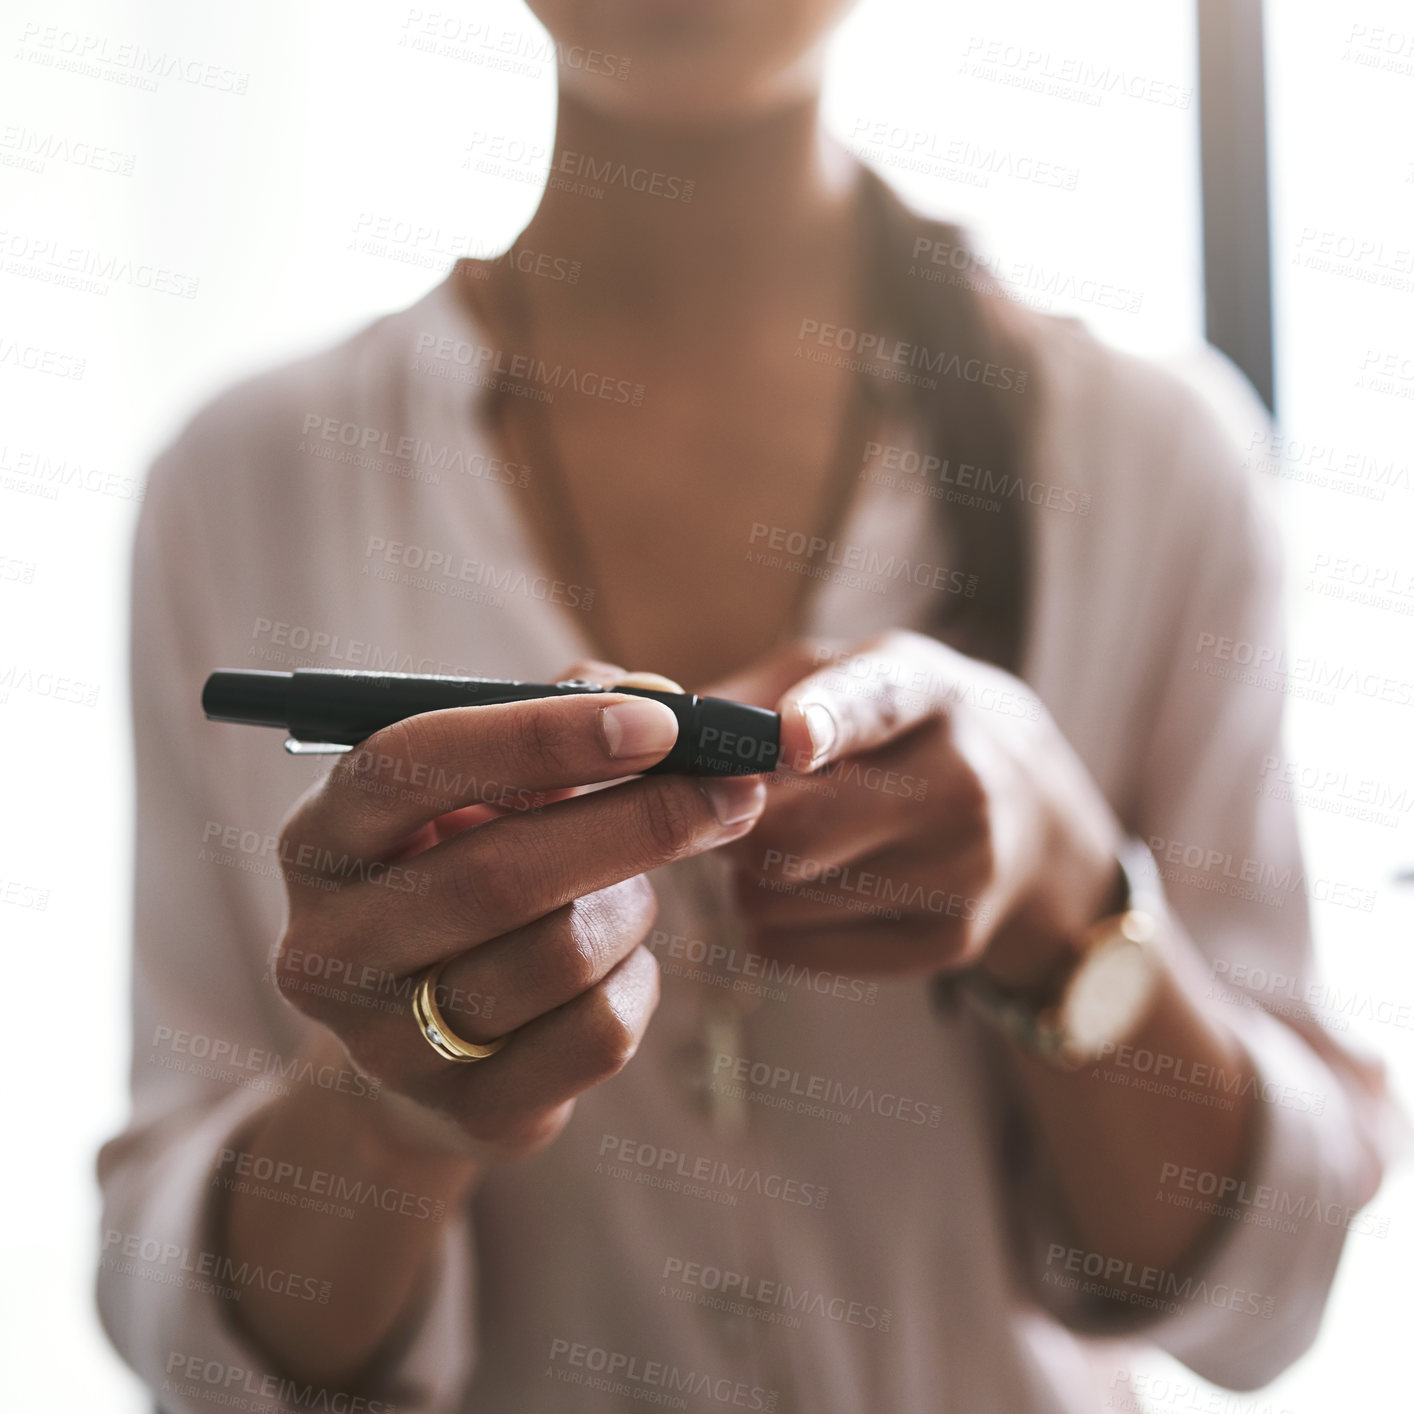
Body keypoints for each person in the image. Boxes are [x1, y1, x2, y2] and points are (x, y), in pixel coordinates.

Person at [98, 3, 1395, 1411]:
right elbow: (188, 1342)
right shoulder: (241, 487)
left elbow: (1271, 1292)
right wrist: (390, 1115)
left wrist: (1062, 904)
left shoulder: (1158, 465)